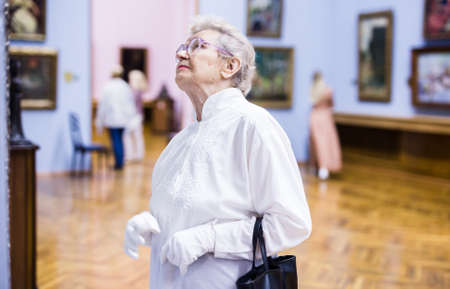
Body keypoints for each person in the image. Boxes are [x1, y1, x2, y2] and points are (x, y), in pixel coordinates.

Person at [123, 15, 312, 289]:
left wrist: (207, 239)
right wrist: (152, 227)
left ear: (230, 66)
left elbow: (291, 223)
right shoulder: (181, 140)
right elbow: (188, 215)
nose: (181, 53)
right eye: (182, 46)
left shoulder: (253, 126)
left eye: (197, 46)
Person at [95, 65, 136, 170]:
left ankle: (118, 163)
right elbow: (130, 104)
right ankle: (120, 161)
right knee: (120, 140)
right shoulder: (125, 86)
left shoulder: (107, 87)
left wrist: (99, 122)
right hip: (123, 119)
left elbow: (102, 105)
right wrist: (131, 119)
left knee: (116, 140)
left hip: (112, 119)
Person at [309, 71, 342, 180]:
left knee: (316, 142)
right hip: (325, 117)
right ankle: (324, 168)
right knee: (326, 143)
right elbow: (332, 104)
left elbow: (312, 104)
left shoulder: (313, 91)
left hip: (314, 117)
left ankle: (317, 166)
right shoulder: (327, 90)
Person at [124, 70, 147, 162]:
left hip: (133, 116)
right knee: (138, 136)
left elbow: (129, 105)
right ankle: (138, 155)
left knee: (128, 136)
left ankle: (130, 155)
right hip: (138, 116)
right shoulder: (139, 90)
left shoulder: (133, 91)